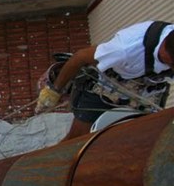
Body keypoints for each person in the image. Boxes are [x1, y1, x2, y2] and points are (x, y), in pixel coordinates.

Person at [35, 21, 174, 140]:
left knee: (151, 134)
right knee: (78, 138)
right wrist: (54, 91)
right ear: (163, 49)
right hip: (109, 86)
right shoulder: (124, 50)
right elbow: (80, 57)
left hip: (149, 87)